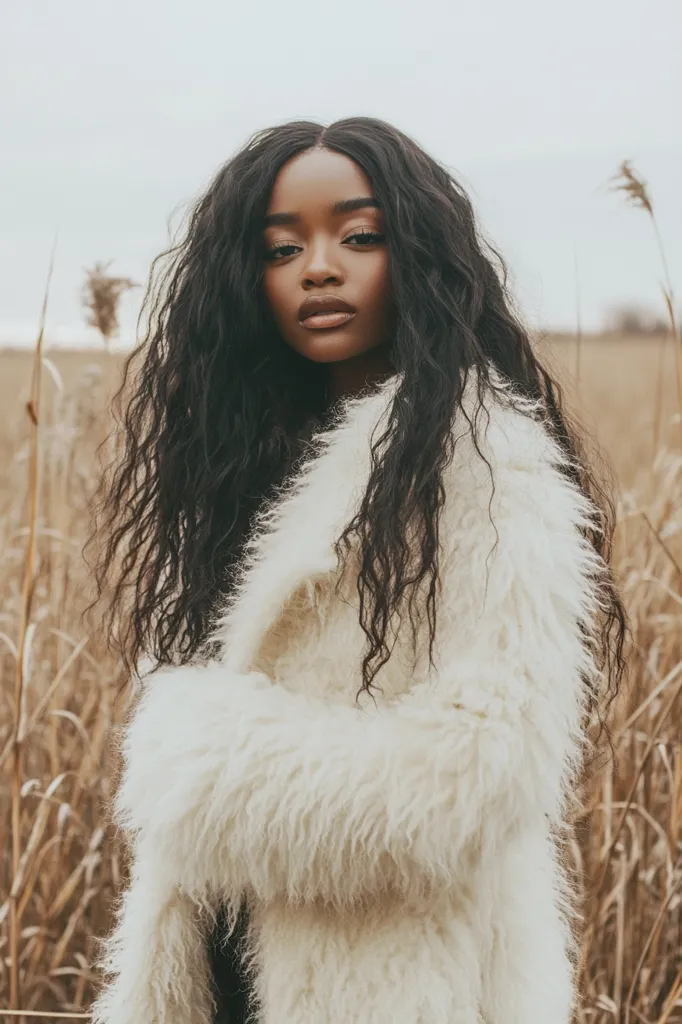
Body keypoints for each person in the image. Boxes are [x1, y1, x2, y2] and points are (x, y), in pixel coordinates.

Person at [89, 117, 626, 1024]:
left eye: (359, 236)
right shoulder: (238, 470)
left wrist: (209, 770)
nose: (319, 268)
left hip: (392, 982)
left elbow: (486, 766)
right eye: (282, 247)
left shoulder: (487, 462)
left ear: (416, 254)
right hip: (219, 968)